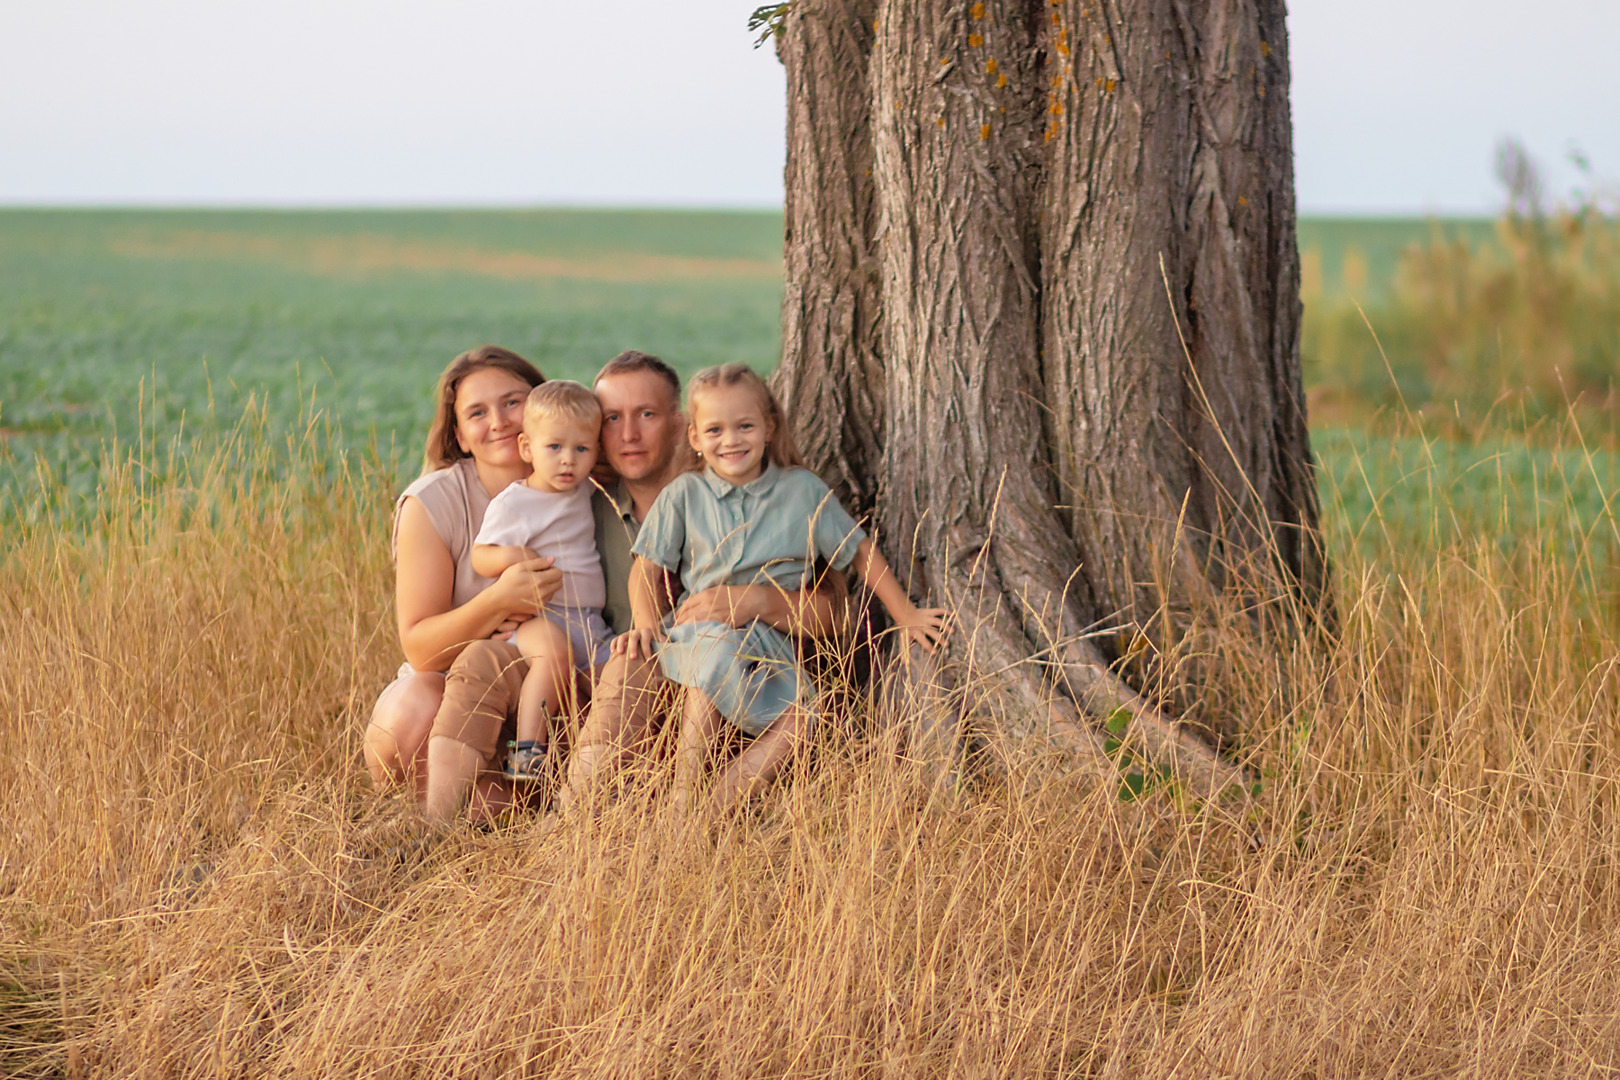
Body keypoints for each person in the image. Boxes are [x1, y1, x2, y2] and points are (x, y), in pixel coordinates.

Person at [421, 350, 844, 823]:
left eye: (646, 414)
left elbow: (838, 616)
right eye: (612, 419)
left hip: (675, 691)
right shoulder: (580, 496)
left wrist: (760, 600)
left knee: (633, 660)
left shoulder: (724, 493)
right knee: (481, 660)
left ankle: (566, 831)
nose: (628, 434)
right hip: (577, 674)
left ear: (681, 422)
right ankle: (436, 825)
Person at [620, 363, 947, 817]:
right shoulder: (684, 494)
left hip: (771, 641)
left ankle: (712, 808)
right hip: (703, 629)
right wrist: (645, 621)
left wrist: (905, 613)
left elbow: (859, 552)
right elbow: (645, 567)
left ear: (769, 428)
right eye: (715, 429)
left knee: (806, 720)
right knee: (708, 669)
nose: (731, 440)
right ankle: (682, 795)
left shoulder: (801, 491)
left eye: (744, 426)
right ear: (694, 437)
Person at [364, 346, 563, 796]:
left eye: (513, 402)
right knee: (417, 701)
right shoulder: (433, 503)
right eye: (478, 412)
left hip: (551, 692)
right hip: (460, 695)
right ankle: (459, 809)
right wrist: (499, 601)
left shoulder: (582, 484)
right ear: (460, 434)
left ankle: (517, 803)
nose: (500, 421)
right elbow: (421, 651)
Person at [470, 381, 613, 781]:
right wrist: (515, 557)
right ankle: (528, 750)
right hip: (540, 617)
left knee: (610, 677)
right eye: (554, 448)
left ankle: (597, 764)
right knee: (554, 656)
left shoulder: (586, 489)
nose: (568, 460)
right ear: (526, 448)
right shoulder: (515, 502)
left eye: (581, 449)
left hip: (589, 619)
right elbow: (481, 555)